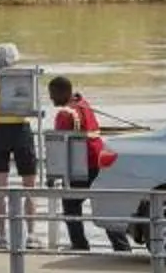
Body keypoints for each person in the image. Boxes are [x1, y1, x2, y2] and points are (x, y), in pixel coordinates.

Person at [48, 74, 129, 253]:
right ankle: (122, 247)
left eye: (52, 93)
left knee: (70, 204)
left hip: (82, 164)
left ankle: (80, 245)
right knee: (104, 204)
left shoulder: (65, 114)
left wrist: (53, 174)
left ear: (62, 92)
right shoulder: (83, 104)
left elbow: (59, 146)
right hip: (100, 160)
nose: (51, 98)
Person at [0, 41, 38, 244]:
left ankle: (2, 236)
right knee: (29, 185)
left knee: (0, 188)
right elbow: (32, 107)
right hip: (21, 131)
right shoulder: (23, 79)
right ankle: (30, 234)